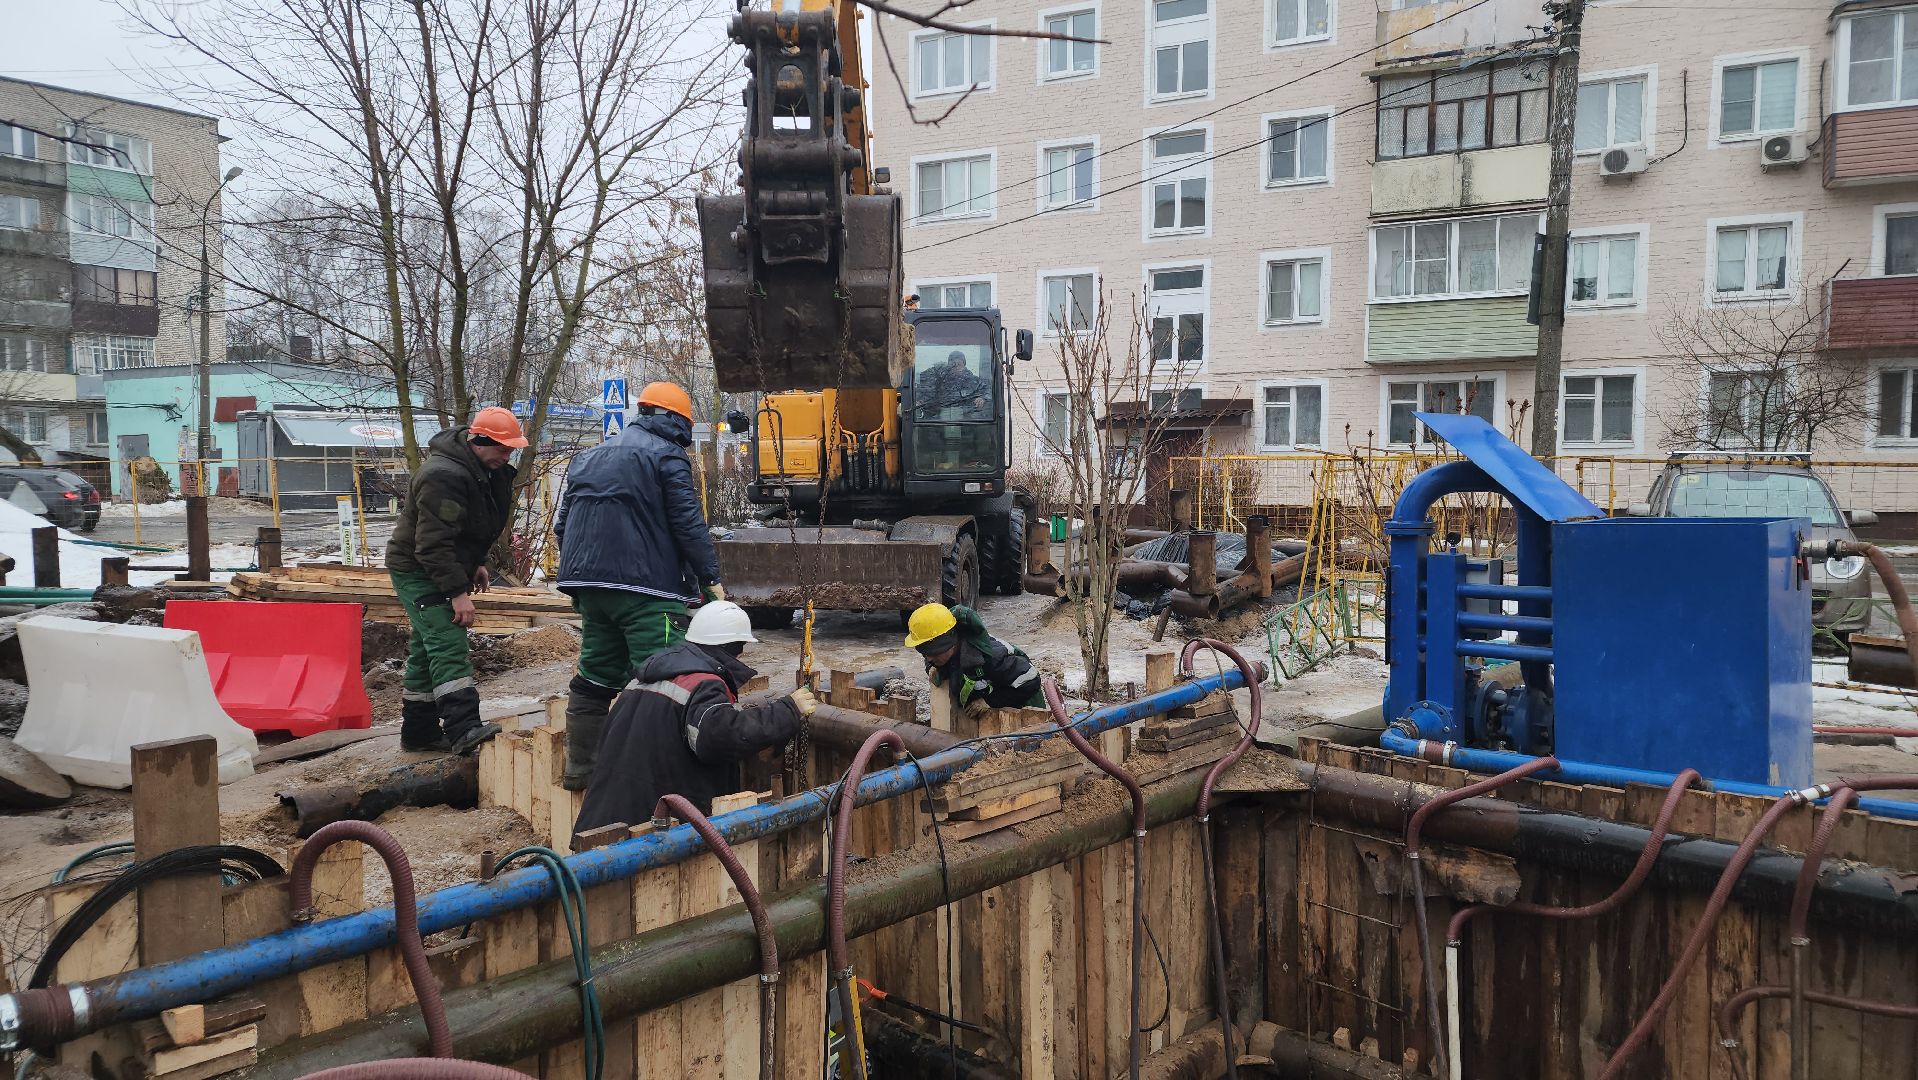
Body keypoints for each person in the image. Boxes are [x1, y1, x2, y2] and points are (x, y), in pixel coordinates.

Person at [554, 381, 727, 790]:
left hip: (588, 586)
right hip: (645, 590)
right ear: (677, 422)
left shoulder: (588, 456)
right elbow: (687, 523)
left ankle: (582, 770)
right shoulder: (666, 455)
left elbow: (563, 526)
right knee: (665, 673)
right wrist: (711, 580)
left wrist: (591, 575)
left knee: (596, 672)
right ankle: (661, 777)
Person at [573, 600, 817, 835]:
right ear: (732, 647)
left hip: (604, 822)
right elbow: (721, 737)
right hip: (648, 831)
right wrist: (789, 710)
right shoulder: (704, 683)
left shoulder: (648, 677)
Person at [386, 407, 527, 755]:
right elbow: (432, 544)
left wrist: (477, 563)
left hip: (440, 564)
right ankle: (464, 729)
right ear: (479, 441)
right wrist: (457, 593)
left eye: (511, 450)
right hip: (419, 568)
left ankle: (419, 733)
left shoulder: (484, 471)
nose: (507, 456)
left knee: (427, 648)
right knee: (448, 642)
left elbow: (473, 527)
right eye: (502, 449)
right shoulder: (443, 477)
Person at [902, 602, 1043, 717]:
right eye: (925, 653)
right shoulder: (946, 653)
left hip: (1025, 708)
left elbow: (1032, 680)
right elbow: (934, 657)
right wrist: (933, 667)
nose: (929, 658)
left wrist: (989, 702)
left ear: (949, 643)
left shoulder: (990, 658)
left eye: (933, 653)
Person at [918, 350, 987, 418]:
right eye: (953, 364)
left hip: (966, 417)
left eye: (959, 364)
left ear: (964, 365)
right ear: (949, 365)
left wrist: (982, 398)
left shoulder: (974, 380)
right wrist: (921, 401)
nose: (956, 366)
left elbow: (987, 390)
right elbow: (928, 392)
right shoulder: (939, 380)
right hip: (939, 416)